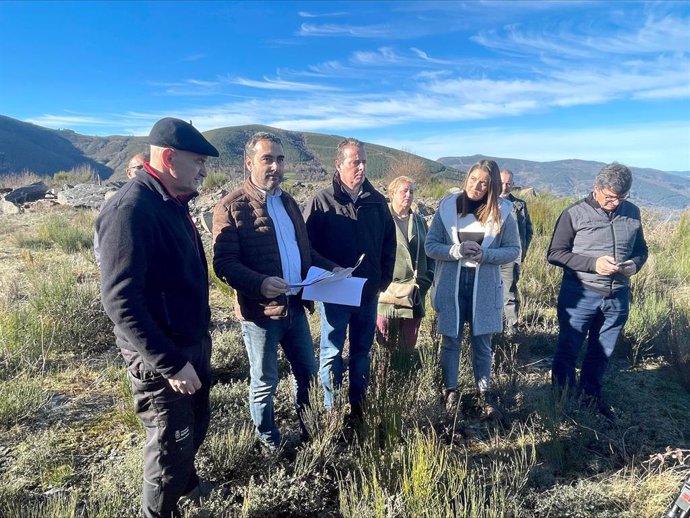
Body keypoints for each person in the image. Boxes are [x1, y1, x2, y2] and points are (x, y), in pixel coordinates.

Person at [96, 117, 218, 518]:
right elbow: (121, 301)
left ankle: (188, 485)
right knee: (168, 449)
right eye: (198, 161)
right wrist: (170, 363)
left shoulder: (170, 203)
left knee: (191, 431)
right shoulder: (131, 209)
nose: (204, 170)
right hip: (163, 360)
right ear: (169, 157)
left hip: (189, 346)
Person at [212, 132, 339, 450]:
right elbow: (224, 263)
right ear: (249, 162)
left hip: (296, 307)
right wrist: (259, 284)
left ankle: (311, 435)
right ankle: (270, 443)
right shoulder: (230, 207)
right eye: (267, 158)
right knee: (265, 382)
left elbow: (304, 252)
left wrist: (333, 269)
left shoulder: (288, 202)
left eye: (280, 159)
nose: (275, 166)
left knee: (308, 376)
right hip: (261, 314)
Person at [304, 138, 396, 420]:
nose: (361, 167)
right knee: (331, 352)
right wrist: (328, 270)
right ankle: (331, 410)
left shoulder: (377, 202)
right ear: (338, 164)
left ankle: (359, 407)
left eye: (364, 162)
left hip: (367, 294)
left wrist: (382, 282)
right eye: (355, 162)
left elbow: (389, 245)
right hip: (334, 293)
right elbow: (305, 246)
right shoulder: (321, 201)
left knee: (361, 352)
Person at [548, 163, 647, 418]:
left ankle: (591, 398)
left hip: (617, 296)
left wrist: (634, 265)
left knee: (601, 352)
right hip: (580, 293)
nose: (614, 203)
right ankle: (562, 401)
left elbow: (641, 250)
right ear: (596, 188)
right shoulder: (574, 213)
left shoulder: (633, 213)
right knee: (568, 349)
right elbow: (555, 253)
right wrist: (594, 264)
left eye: (620, 197)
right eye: (609, 197)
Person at [425, 159, 520, 419]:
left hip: (485, 286)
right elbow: (430, 246)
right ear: (466, 178)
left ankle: (484, 394)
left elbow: (513, 250)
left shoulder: (503, 212)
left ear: (492, 187)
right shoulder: (447, 209)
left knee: (482, 343)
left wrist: (485, 254)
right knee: (451, 341)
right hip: (452, 284)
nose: (476, 187)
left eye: (484, 183)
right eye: (473, 179)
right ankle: (451, 391)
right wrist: (455, 250)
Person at [376, 176, 434, 353]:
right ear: (392, 193)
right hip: (388, 293)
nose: (408, 195)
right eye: (404, 191)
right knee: (385, 343)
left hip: (415, 292)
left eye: (412, 191)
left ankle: (404, 374)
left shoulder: (419, 221)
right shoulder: (381, 220)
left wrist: (428, 277)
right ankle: (386, 378)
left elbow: (429, 250)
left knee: (408, 343)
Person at [499, 168, 533, 335]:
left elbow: (528, 230)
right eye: (501, 183)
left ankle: (511, 331)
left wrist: (522, 252)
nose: (504, 187)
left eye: (508, 183)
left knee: (509, 293)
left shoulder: (519, 205)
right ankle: (494, 329)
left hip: (511, 258)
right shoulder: (485, 203)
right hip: (489, 257)